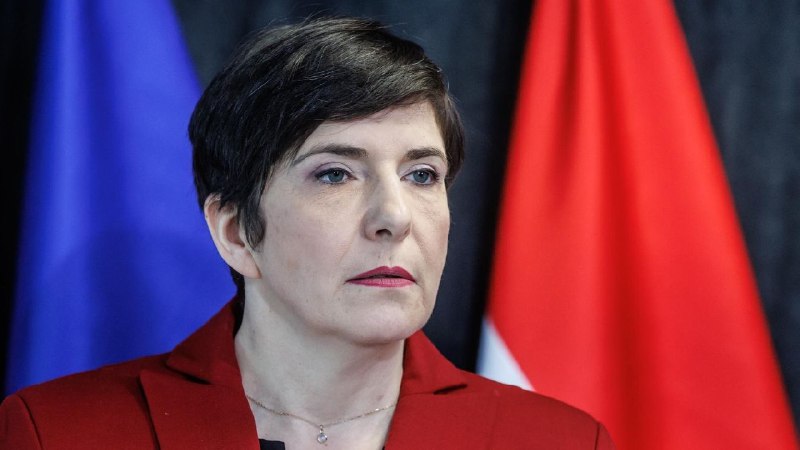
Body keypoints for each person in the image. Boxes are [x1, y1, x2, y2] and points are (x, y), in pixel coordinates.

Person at [0, 17, 615, 449]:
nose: (395, 216)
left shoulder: (559, 442)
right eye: (335, 174)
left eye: (422, 175)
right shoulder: (56, 433)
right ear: (236, 232)